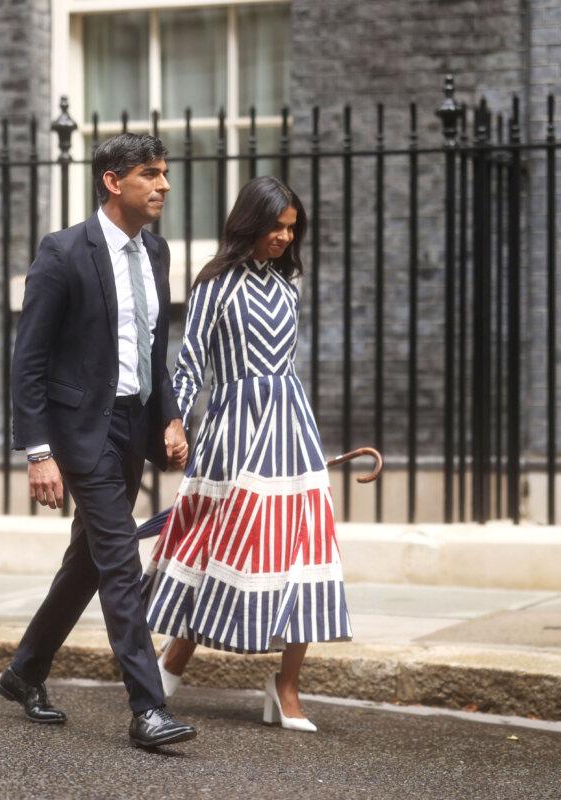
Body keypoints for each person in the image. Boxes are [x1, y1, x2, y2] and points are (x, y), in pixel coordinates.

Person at [0, 133, 196, 749]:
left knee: (87, 562)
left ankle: (25, 671)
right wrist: (38, 451)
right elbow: (27, 361)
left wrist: (169, 416)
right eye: (150, 174)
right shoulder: (63, 252)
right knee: (118, 559)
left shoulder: (155, 252)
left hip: (134, 426)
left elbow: (153, 347)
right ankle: (147, 708)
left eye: (164, 173)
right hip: (82, 431)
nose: (163, 185)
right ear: (113, 182)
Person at [141, 176, 352, 733]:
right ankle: (172, 663)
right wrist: (173, 423)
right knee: (220, 545)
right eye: (275, 227)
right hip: (235, 430)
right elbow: (190, 366)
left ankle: (286, 690)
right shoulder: (216, 284)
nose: (284, 238)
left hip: (291, 426)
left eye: (291, 229)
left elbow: (282, 363)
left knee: (305, 550)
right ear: (250, 224)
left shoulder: (290, 284)